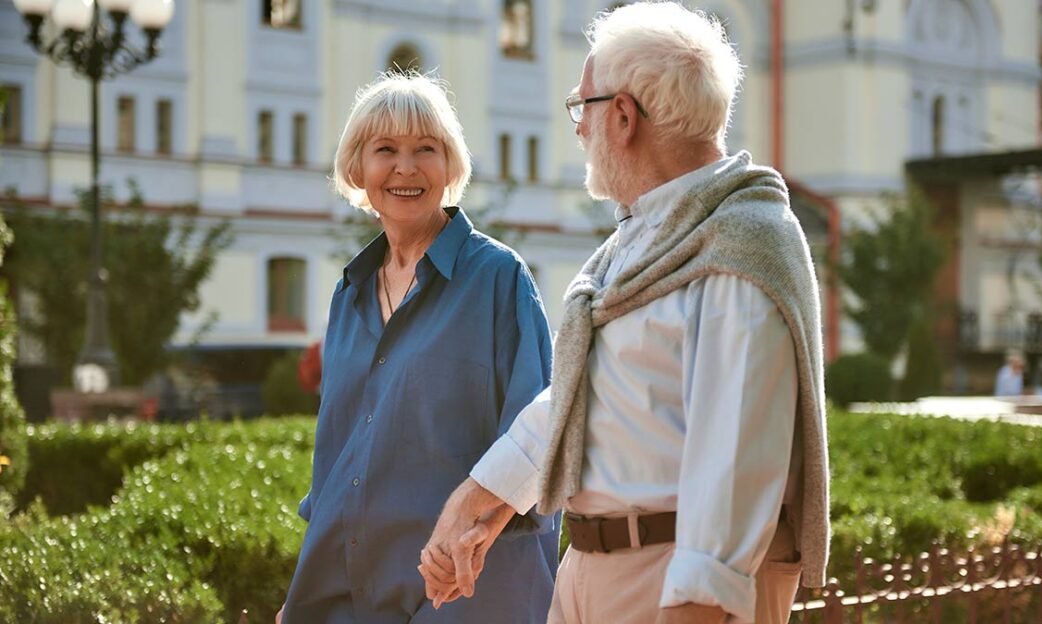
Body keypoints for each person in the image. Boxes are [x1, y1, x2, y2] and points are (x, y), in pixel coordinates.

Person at [418, 4, 830, 623]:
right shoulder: (646, 239)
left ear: (622, 116)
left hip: (669, 582)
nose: (578, 129)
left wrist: (697, 605)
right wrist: (478, 501)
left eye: (581, 107)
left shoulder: (740, 242)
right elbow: (582, 394)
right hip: (591, 569)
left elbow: (736, 459)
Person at [276, 73, 558, 623]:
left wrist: (470, 541)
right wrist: (304, 593)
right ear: (357, 170)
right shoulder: (349, 294)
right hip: (354, 594)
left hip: (471, 592)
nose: (406, 167)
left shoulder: (499, 279)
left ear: (451, 166)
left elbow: (539, 446)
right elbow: (334, 462)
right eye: (386, 150)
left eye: (425, 149)